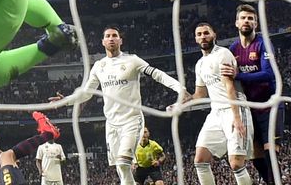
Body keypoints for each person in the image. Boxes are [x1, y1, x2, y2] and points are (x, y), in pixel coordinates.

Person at [50, 25, 190, 185]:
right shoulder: (99, 66)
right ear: (102, 42)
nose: (111, 38)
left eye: (114, 35)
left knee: (124, 163)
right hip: (111, 124)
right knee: (120, 168)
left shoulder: (132, 60)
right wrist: (66, 100)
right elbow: (87, 93)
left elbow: (157, 74)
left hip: (132, 121)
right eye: (108, 36)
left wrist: (180, 88)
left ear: (120, 40)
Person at [221, 4, 284, 184]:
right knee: (256, 157)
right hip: (250, 109)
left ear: (256, 23)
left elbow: (268, 74)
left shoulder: (263, 43)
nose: (246, 21)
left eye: (250, 18)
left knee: (270, 152)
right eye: (243, 18)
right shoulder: (232, 50)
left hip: (270, 105)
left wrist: (239, 75)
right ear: (236, 22)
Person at [189, 23, 253, 185]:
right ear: (196, 39)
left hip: (234, 108)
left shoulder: (223, 54)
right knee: (200, 159)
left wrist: (237, 117)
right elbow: (200, 94)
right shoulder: (200, 64)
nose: (203, 36)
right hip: (216, 113)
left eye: (206, 33)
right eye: (199, 34)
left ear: (214, 35)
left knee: (236, 163)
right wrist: (181, 103)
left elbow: (229, 86)